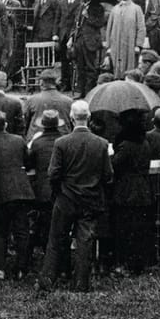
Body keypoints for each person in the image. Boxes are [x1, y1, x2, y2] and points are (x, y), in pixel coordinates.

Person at [42, 106, 111, 292]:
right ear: (88, 117)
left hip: (66, 197)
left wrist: (58, 190)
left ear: (72, 118)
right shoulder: (101, 143)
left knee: (56, 239)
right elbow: (108, 175)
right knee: (84, 242)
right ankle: (81, 284)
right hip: (90, 198)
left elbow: (53, 173)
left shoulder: (62, 143)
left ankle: (48, 281)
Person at [105, 108, 157, 275]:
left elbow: (114, 165)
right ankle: (139, 263)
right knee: (140, 229)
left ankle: (124, 263)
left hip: (126, 190)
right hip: (143, 189)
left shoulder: (126, 146)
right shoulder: (145, 143)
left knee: (124, 229)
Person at [0, 110, 36, 280]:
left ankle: (1, 269)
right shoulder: (18, 140)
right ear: (5, 124)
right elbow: (28, 161)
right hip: (21, 189)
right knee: (22, 230)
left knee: (1, 231)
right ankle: (21, 268)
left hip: (0, 190)